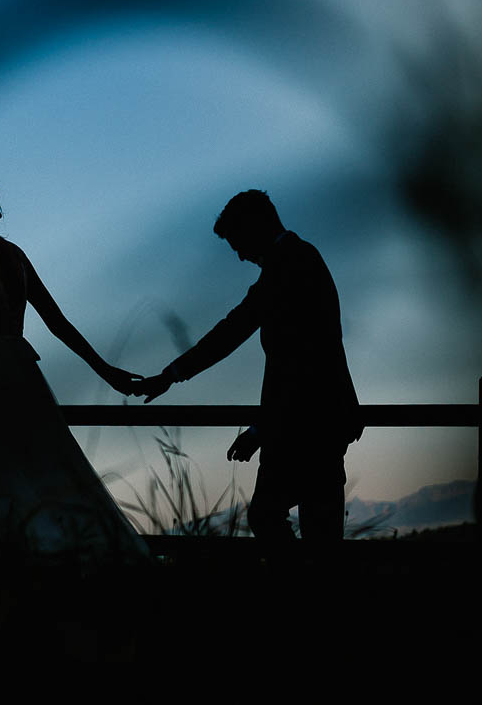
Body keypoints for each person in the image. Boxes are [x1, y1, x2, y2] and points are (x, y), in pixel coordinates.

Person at [0, 163, 148, 562]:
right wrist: (106, 371)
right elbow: (58, 322)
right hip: (22, 372)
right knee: (44, 473)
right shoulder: (14, 254)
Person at [135, 189, 363, 546]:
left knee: (275, 517)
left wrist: (261, 429)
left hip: (306, 423)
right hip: (318, 420)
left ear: (255, 226)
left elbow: (280, 352)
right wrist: (171, 375)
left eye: (237, 243)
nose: (240, 256)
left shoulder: (288, 266)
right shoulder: (294, 261)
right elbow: (236, 329)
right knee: (315, 530)